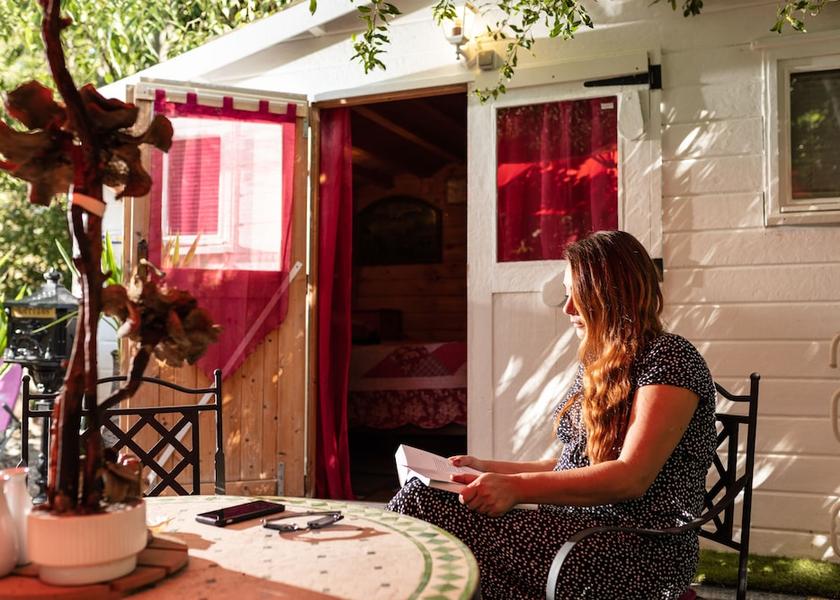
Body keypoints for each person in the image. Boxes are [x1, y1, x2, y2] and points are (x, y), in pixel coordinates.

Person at [386, 230, 717, 599]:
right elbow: (569, 465)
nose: (568, 309)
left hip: (639, 549)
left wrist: (516, 487)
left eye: (581, 295)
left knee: (421, 506)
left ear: (615, 295)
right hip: (579, 529)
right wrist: (485, 468)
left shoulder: (670, 359)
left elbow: (630, 478)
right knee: (425, 497)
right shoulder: (600, 363)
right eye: (567, 293)